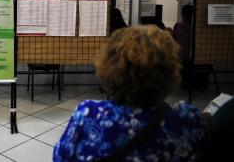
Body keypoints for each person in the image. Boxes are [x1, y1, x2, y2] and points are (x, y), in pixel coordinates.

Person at [53, 25, 209, 162]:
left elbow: (61, 156)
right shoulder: (187, 119)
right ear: (170, 71)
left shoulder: (88, 114)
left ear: (109, 68)